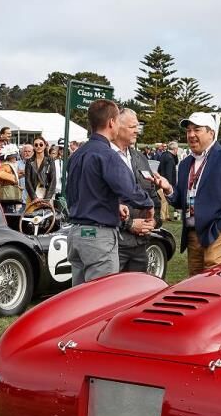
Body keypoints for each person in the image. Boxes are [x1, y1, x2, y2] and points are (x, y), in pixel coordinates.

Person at [64, 99, 155, 284]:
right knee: (101, 300)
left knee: (80, 299)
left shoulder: (77, 155)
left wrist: (115, 205)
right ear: (112, 122)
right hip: (98, 237)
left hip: (76, 234)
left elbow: (77, 192)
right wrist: (148, 203)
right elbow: (129, 189)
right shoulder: (107, 155)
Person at [162, 112, 221, 275]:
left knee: (217, 284)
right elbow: (180, 200)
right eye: (188, 130)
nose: (191, 135)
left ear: (211, 133)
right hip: (192, 234)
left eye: (197, 130)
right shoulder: (184, 164)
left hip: (217, 233)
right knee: (196, 284)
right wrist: (168, 189)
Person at [114, 109, 160, 272]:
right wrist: (129, 224)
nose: (137, 130)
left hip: (141, 245)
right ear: (117, 126)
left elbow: (152, 195)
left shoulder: (140, 158)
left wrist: (154, 221)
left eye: (137, 126)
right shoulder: (104, 156)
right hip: (114, 246)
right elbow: (97, 201)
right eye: (132, 126)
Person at [24, 137, 57, 202]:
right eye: (36, 145)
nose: (38, 146)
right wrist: (34, 197)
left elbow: (53, 181)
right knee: (31, 212)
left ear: (45, 145)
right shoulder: (29, 161)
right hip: (33, 196)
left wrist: (46, 199)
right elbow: (27, 181)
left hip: (46, 195)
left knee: (47, 212)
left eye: (41, 144)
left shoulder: (50, 161)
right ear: (33, 147)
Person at [158, 141, 180, 221]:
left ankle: (166, 215)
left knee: (164, 201)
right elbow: (169, 172)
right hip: (166, 181)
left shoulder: (164, 155)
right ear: (175, 149)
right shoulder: (170, 159)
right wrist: (169, 184)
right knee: (164, 201)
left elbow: (159, 168)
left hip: (161, 179)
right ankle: (163, 216)